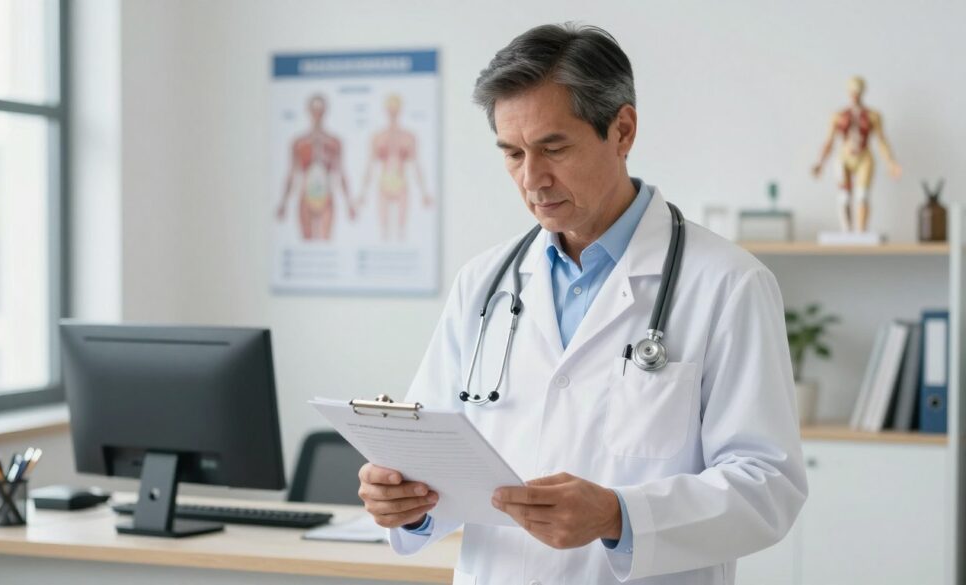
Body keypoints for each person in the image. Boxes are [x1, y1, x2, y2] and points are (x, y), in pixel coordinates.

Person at [358, 23, 807, 584]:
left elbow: (767, 486)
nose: (532, 179)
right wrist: (403, 500)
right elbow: (431, 455)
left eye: (553, 148)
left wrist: (619, 515)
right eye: (512, 153)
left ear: (622, 131)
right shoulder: (484, 284)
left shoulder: (727, 284)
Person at [811, 76, 902, 233]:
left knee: (862, 195)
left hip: (864, 156)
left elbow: (881, 140)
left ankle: (861, 232)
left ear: (863, 92)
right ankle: (847, 232)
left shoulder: (873, 116)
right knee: (844, 196)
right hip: (844, 157)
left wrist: (891, 162)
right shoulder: (839, 116)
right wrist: (820, 162)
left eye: (858, 91)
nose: (855, 94)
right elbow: (829, 141)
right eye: (852, 91)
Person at [275, 94, 357, 240]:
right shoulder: (299, 143)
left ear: (325, 111)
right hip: (305, 197)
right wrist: (283, 203)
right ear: (309, 111)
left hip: (327, 198)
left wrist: (349, 203)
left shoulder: (334, 142)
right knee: (306, 240)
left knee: (326, 240)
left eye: (320, 110)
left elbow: (341, 173)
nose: (317, 114)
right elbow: (291, 174)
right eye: (314, 110)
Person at [358, 93, 434, 241]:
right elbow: (370, 166)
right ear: (386, 110)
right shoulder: (378, 137)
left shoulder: (408, 137)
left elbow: (416, 165)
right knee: (383, 231)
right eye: (390, 109)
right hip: (383, 184)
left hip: (402, 184)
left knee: (401, 231)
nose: (392, 112)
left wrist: (424, 193)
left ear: (400, 110)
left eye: (395, 108)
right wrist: (363, 193)